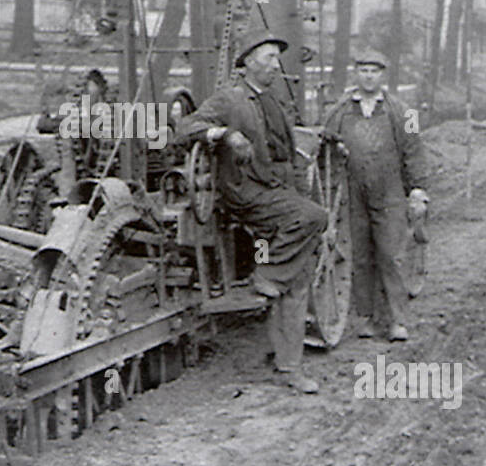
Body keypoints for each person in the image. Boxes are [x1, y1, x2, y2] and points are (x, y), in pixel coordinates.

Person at [179, 29, 329, 394]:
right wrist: (223, 134)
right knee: (315, 218)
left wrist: (299, 185)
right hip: (245, 193)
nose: (276, 66)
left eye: (278, 59)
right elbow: (185, 126)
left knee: (299, 274)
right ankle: (267, 275)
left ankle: (288, 366)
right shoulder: (230, 99)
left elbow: (287, 153)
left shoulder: (274, 101)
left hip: (276, 192)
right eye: (268, 59)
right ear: (247, 62)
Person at [321, 49, 429, 341]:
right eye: (364, 70)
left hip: (390, 191)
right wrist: (339, 151)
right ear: (356, 74)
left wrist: (417, 190)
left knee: (392, 255)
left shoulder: (405, 112)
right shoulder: (339, 111)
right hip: (353, 194)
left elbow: (415, 151)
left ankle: (397, 320)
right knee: (360, 255)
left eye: (375, 71)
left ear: (383, 75)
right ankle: (367, 317)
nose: (369, 76)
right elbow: (325, 146)